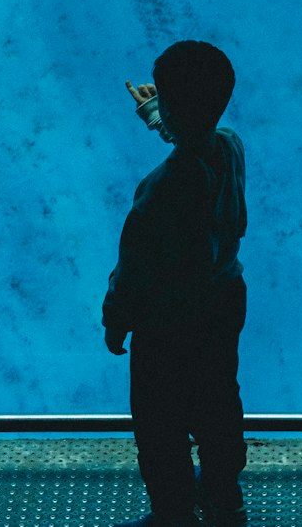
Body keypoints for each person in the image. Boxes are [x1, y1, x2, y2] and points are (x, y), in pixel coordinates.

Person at [103, 40, 248, 527]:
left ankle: (174, 513)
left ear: (171, 102)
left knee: (160, 425)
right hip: (223, 301)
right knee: (218, 406)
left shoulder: (159, 190)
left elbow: (133, 270)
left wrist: (115, 319)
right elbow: (195, 142)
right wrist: (156, 114)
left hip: (167, 324)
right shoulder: (230, 147)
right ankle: (225, 499)